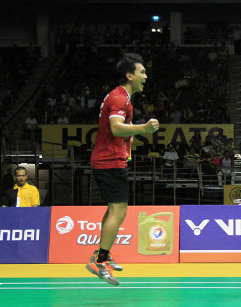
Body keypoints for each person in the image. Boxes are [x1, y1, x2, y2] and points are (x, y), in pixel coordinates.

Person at [87, 54, 159, 286]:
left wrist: (130, 142)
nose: (145, 76)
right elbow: (116, 128)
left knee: (113, 211)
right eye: (142, 72)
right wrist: (145, 128)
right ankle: (99, 262)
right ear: (130, 75)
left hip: (111, 159)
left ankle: (101, 255)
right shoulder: (119, 98)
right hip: (108, 161)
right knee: (119, 212)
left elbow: (118, 133)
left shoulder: (123, 97)